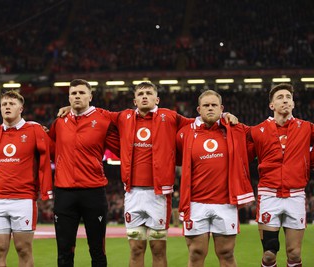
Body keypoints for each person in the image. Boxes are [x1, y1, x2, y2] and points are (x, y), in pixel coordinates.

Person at [57, 82, 237, 266]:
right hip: (133, 193)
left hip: (159, 194)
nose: (145, 96)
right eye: (141, 93)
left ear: (156, 99)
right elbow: (94, 112)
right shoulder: (123, 117)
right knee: (136, 249)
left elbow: (199, 121)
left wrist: (223, 116)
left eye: (149, 93)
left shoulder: (170, 116)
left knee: (158, 250)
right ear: (134, 100)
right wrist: (71, 108)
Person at [176, 90, 255, 266]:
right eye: (206, 105)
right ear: (199, 109)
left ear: (221, 108)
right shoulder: (185, 133)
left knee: (226, 253)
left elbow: (260, 138)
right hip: (195, 203)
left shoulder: (235, 129)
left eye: (214, 105)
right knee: (196, 253)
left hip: (225, 202)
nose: (210, 108)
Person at [48, 79, 120, 267]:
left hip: (93, 192)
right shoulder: (60, 122)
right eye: (73, 93)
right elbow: (48, 147)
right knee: (64, 252)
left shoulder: (103, 119)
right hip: (64, 193)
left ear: (90, 96)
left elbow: (123, 148)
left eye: (81, 93)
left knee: (97, 251)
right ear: (68, 97)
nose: (77, 96)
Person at [0, 90, 53, 267]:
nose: (7, 107)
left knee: (23, 250)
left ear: (21, 108)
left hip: (23, 200)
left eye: (12, 104)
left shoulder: (35, 130)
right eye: (4, 104)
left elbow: (55, 151)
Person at [247, 83, 314, 267]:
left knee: (294, 254)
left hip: (296, 196)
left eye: (288, 97)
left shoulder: (307, 128)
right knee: (269, 254)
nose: (285, 100)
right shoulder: (257, 131)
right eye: (280, 97)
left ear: (293, 103)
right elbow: (242, 157)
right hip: (269, 195)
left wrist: (308, 163)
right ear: (271, 105)